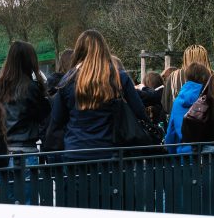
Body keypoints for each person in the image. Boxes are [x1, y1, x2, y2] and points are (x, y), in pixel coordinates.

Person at [47, 29, 147, 161]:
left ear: (78, 51)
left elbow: (56, 120)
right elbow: (140, 112)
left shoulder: (67, 80)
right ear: (104, 49)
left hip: (75, 152)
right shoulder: (118, 77)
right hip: (111, 152)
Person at [0, 41, 51, 203]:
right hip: (26, 151)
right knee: (28, 204)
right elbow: (44, 115)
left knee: (5, 204)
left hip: (1, 152)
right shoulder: (31, 88)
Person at [164, 63, 211, 153]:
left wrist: (172, 154)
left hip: (184, 154)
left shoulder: (177, 101)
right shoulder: (210, 98)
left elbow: (171, 132)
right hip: (207, 153)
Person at [162, 45, 212, 115]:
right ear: (205, 58)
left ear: (185, 58)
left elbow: (166, 105)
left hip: (179, 121)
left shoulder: (174, 76)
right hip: (207, 121)